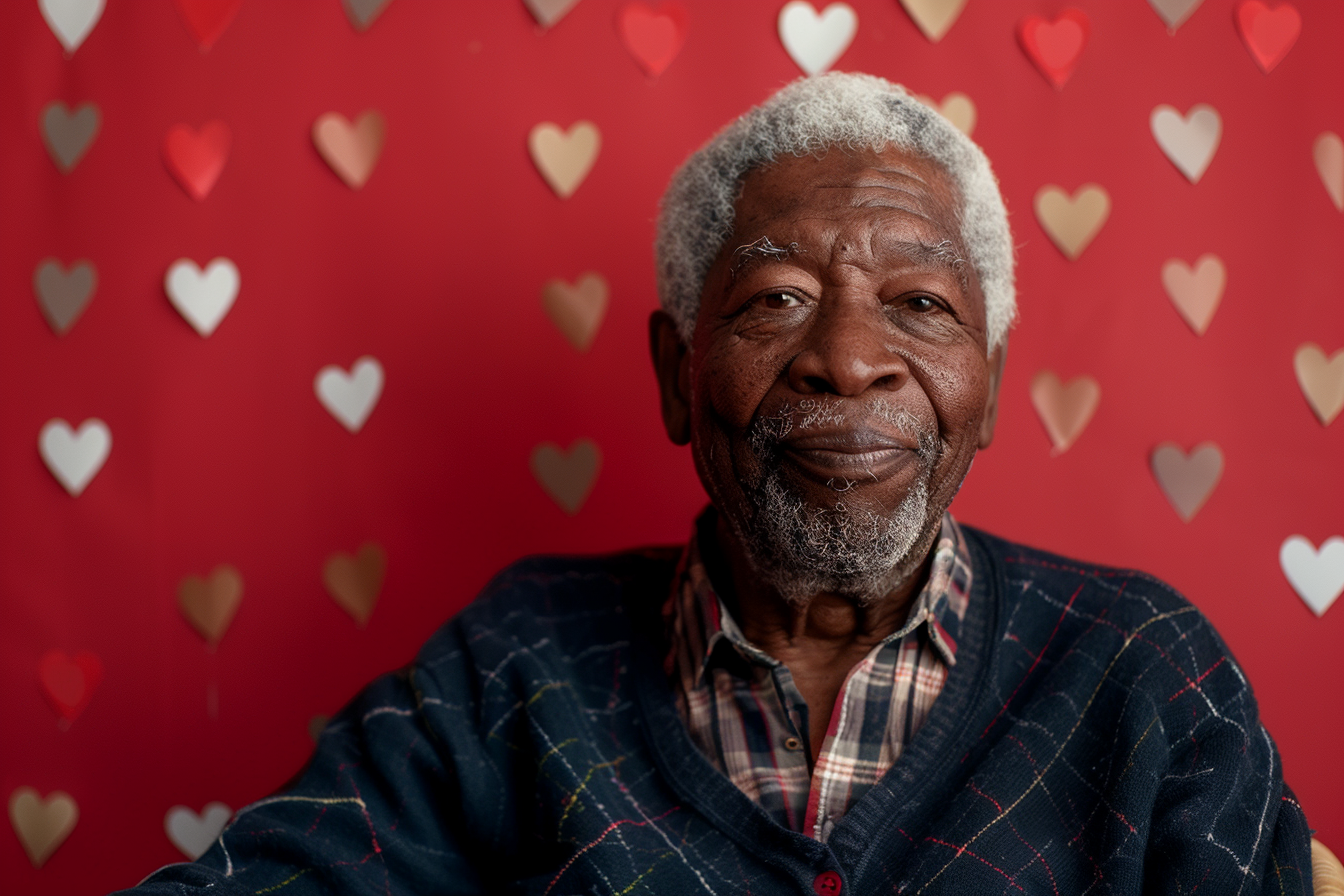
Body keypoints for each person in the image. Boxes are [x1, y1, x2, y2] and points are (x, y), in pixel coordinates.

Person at [114, 73, 1313, 895]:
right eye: (776, 298)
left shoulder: (1143, 669)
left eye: (920, 302)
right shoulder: (519, 661)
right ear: (675, 375)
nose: (848, 357)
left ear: (989, 385)